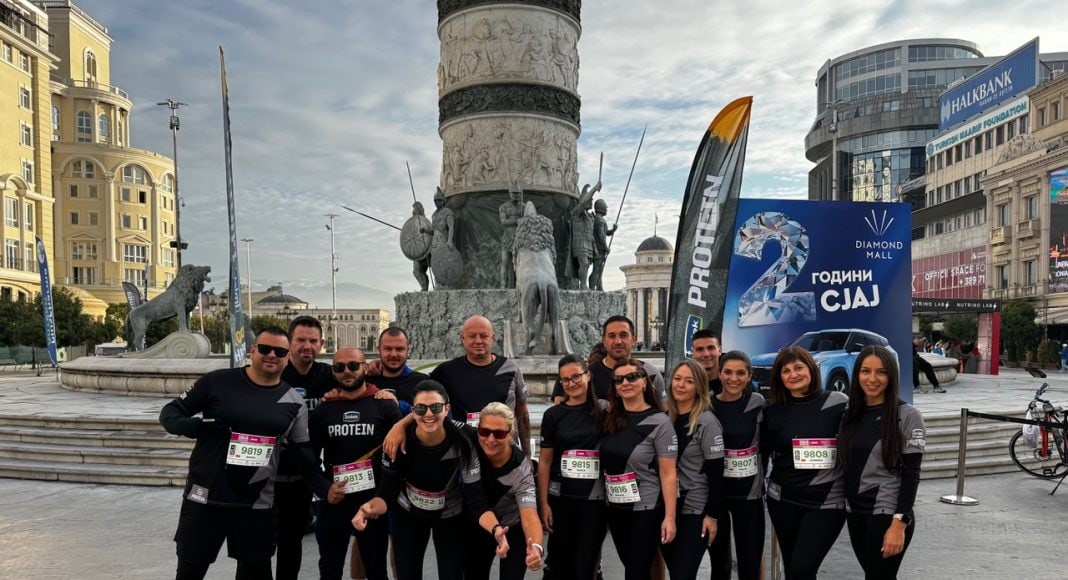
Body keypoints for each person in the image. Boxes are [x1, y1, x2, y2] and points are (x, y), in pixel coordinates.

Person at [159, 326, 324, 580]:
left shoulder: (294, 401)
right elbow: (170, 414)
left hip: (256, 505)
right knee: (190, 572)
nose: (272, 355)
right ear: (253, 350)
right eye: (265, 349)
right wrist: (199, 427)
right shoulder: (217, 381)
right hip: (205, 497)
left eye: (279, 352)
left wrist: (293, 454)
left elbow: (304, 454)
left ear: (287, 356)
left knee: (256, 573)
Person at [352, 380, 491, 580]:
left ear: (447, 409)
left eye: (436, 407)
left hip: (450, 514)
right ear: (413, 411)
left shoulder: (465, 437)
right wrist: (368, 508)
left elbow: (475, 494)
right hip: (408, 513)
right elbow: (386, 493)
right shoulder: (396, 441)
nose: (428, 414)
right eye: (420, 408)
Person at [309, 347, 401, 580]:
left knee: (376, 569)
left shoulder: (384, 405)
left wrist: (383, 496)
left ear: (365, 367)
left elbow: (397, 458)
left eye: (353, 365)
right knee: (329, 568)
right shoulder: (323, 409)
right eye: (339, 367)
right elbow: (310, 459)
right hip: (335, 499)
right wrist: (325, 489)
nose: (347, 371)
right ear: (333, 372)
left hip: (371, 501)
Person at [839, 346, 925, 579]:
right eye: (865, 371)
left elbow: (911, 474)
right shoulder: (849, 413)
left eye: (881, 372)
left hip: (887, 513)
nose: (872, 379)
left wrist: (900, 523)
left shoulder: (907, 415)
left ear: (892, 376)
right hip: (855, 511)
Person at [762, 346, 848, 579]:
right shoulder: (773, 411)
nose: (793, 374)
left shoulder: (838, 403)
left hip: (826, 502)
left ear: (811, 369)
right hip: (783, 501)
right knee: (794, 569)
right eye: (786, 370)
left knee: (803, 568)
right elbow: (764, 453)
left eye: (798, 367)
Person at [599, 357, 677, 580]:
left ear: (644, 382)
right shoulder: (609, 418)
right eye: (618, 380)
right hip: (615, 508)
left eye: (632, 377)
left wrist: (669, 517)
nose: (625, 383)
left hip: (646, 509)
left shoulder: (660, 422)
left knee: (636, 572)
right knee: (632, 567)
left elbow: (668, 474)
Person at [274, 315, 334, 579]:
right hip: (267, 476)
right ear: (290, 342)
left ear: (321, 344)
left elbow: (357, 382)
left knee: (291, 545)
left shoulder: (329, 375)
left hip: (303, 477)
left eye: (313, 340)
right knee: (257, 547)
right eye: (300, 340)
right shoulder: (275, 372)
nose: (307, 346)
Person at [538, 354, 607, 579]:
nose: (571, 383)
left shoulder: (604, 410)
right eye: (565, 380)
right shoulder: (553, 415)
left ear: (588, 375)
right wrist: (544, 503)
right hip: (560, 499)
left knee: (586, 564)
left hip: (594, 502)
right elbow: (545, 461)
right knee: (557, 563)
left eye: (576, 376)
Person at [429, 315, 531, 455]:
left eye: (484, 336)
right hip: (465, 454)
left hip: (504, 454)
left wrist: (527, 455)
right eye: (472, 336)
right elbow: (422, 403)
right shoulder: (445, 372)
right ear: (462, 338)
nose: (478, 341)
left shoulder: (510, 368)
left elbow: (522, 412)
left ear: (493, 338)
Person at [464, 403, 545, 579]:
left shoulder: (521, 469)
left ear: (510, 434)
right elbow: (435, 418)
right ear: (478, 430)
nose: (490, 439)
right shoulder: (470, 439)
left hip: (511, 526)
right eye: (484, 432)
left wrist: (536, 548)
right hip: (481, 524)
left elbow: (530, 518)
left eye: (499, 434)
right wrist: (402, 425)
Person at [661, 359, 725, 579]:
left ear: (699, 387)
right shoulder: (664, 419)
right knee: (676, 572)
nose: (681, 385)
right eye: (677, 379)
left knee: (682, 574)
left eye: (689, 381)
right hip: (667, 508)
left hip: (695, 509)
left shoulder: (707, 422)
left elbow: (717, 473)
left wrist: (712, 516)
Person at [709, 351, 766, 580]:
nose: (734, 378)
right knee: (719, 565)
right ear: (719, 374)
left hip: (749, 495)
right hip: (717, 496)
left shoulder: (757, 402)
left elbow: (769, 441)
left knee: (749, 565)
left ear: (749, 375)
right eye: (728, 372)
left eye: (741, 373)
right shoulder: (707, 405)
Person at [550, 315, 666, 402]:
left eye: (623, 335)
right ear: (604, 341)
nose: (618, 341)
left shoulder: (651, 373)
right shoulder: (586, 376)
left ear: (634, 339)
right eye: (612, 336)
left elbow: (663, 409)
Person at [366, 326, 429, 414]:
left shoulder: (423, 382)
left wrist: (398, 405)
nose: (393, 354)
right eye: (388, 349)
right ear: (379, 350)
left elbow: (432, 414)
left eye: (399, 349)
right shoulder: (365, 381)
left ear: (407, 351)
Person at [588, 198, 617, 291]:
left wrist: (613, 230)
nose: (606, 210)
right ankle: (592, 287)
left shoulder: (597, 219)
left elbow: (605, 233)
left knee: (600, 269)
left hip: (598, 248)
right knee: (597, 269)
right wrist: (606, 247)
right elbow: (601, 235)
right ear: (602, 208)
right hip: (599, 249)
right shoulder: (600, 220)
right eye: (606, 208)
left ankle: (599, 288)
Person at [499, 182, 524, 289]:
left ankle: (520, 284)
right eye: (514, 193)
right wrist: (519, 220)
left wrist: (522, 220)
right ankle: (503, 284)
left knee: (520, 263)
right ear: (509, 194)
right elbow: (503, 221)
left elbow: (528, 220)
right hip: (508, 237)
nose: (516, 195)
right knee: (505, 261)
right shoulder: (504, 207)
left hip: (519, 237)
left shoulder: (524, 206)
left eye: (518, 193)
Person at [691, 328, 724, 395]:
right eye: (700, 349)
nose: (706, 354)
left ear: (720, 350)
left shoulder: (732, 382)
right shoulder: (686, 383)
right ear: (693, 353)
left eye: (711, 348)